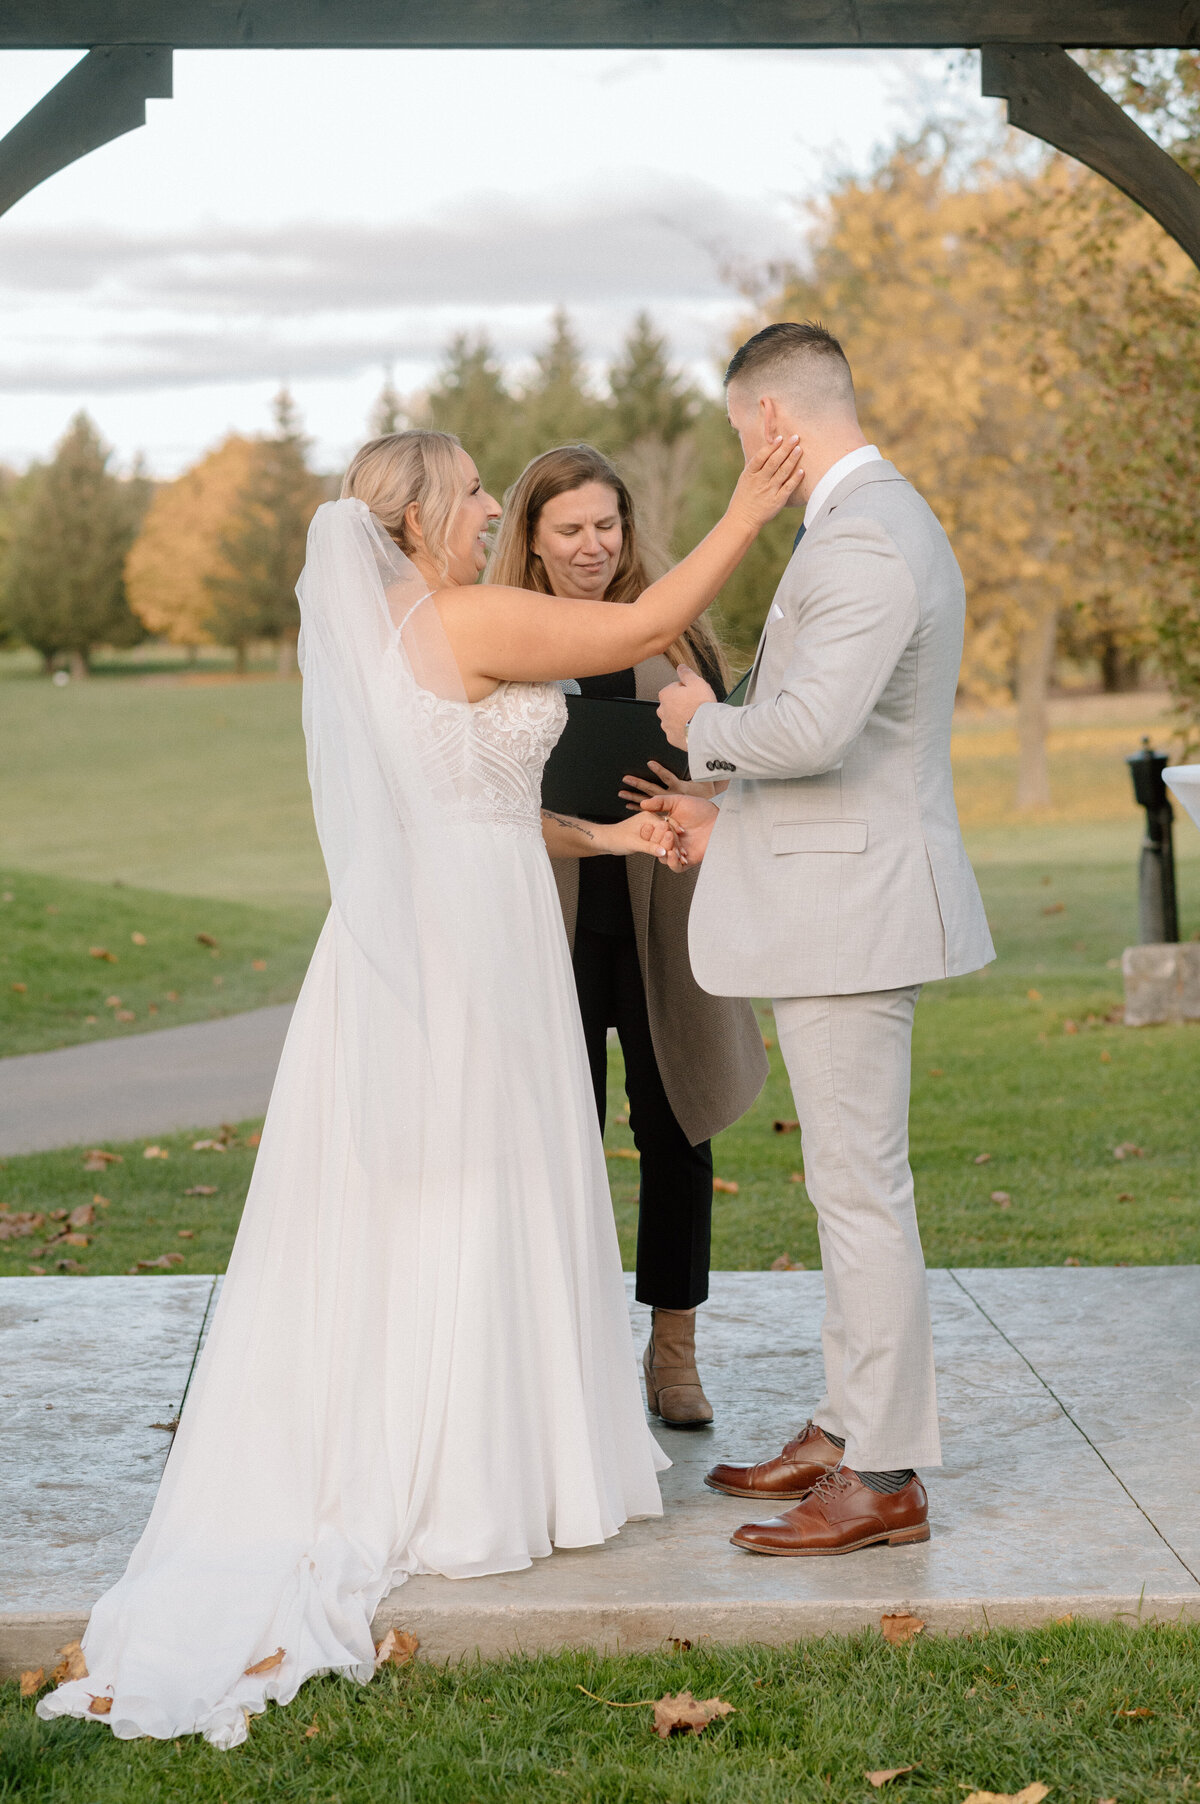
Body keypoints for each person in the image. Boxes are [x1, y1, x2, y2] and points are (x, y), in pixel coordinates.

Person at [38, 425, 803, 1746]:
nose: (490, 506)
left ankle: (472, 1445)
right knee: (481, 1186)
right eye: (471, 493)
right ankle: (477, 1481)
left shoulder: (394, 636)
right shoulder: (464, 616)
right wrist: (750, 505)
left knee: (441, 1193)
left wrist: (608, 829)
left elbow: (478, 798)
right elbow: (663, 612)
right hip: (473, 948)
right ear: (416, 518)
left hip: (449, 918)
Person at [643, 322, 995, 1556]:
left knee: (859, 1192)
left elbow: (810, 734)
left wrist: (695, 721)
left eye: (744, 431)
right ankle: (848, 1429)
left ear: (773, 422)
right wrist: (716, 808)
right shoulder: (865, 526)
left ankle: (886, 1472)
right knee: (845, 1184)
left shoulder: (867, 539)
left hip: (853, 915)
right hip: (835, 895)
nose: (747, 450)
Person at [489, 445, 768, 1428]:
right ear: (531, 534)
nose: (592, 545)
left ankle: (674, 1349)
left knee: (675, 1127)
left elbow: (739, 760)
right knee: (552, 1135)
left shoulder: (678, 634)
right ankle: (561, 1351)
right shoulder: (506, 636)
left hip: (665, 917)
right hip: (548, 917)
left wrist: (704, 791)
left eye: (606, 524)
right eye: (568, 528)